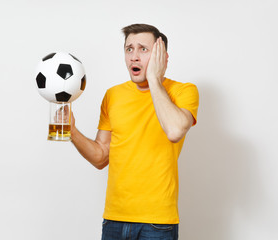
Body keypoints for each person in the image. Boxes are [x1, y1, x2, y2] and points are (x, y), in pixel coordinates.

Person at [70, 23, 199, 240]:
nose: (134, 57)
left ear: (163, 58)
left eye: (143, 49)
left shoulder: (183, 91)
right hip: (114, 220)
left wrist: (155, 80)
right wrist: (71, 131)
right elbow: (101, 157)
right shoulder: (113, 95)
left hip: (157, 223)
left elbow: (175, 130)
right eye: (129, 49)